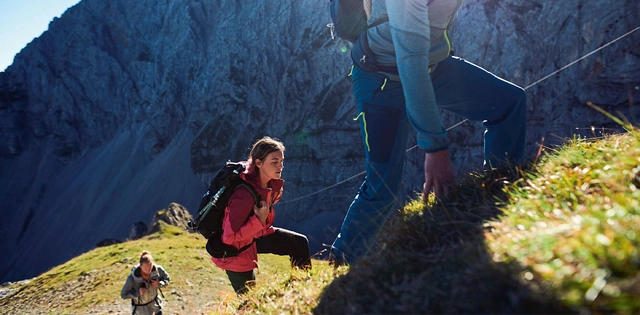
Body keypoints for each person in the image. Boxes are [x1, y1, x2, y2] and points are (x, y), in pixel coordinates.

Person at [330, 0, 527, 265]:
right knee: (383, 185)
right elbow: (410, 60)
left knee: (510, 103)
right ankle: (343, 261)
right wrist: (435, 146)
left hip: (433, 67)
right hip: (381, 81)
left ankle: (498, 199)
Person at [211, 136, 312, 294]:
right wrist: (258, 220)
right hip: (234, 252)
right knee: (249, 301)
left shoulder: (266, 183)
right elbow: (229, 238)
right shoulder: (243, 196)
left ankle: (303, 292)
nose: (280, 166)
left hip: (255, 236)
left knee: (298, 243)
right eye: (274, 162)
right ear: (258, 163)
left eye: (281, 161)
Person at [120, 251, 170, 315]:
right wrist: (138, 292)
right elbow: (123, 295)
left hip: (156, 306)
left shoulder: (158, 270)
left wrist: (160, 284)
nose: (148, 271)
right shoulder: (132, 278)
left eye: (150, 268)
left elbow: (167, 279)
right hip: (140, 310)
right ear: (140, 266)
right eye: (145, 269)